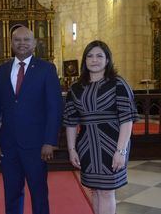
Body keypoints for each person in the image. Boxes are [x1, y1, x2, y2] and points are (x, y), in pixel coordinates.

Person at [0, 26, 63, 214]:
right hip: (8, 145)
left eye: (26, 39)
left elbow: (54, 107)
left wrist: (50, 141)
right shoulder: (1, 71)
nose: (22, 43)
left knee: (39, 193)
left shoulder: (46, 69)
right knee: (11, 194)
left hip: (37, 146)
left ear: (34, 43)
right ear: (11, 43)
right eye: (17, 40)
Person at [63, 40, 139, 214]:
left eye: (99, 56)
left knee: (106, 191)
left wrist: (121, 151)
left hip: (112, 145)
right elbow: (71, 122)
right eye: (90, 56)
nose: (94, 60)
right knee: (95, 190)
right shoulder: (76, 88)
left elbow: (126, 120)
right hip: (86, 146)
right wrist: (72, 149)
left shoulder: (118, 84)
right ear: (84, 60)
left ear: (107, 60)